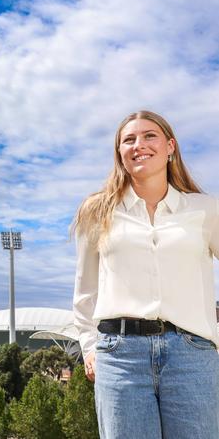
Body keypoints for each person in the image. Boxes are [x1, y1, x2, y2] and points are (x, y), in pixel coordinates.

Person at [73, 110, 219, 438]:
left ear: (170, 147)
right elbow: (85, 290)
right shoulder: (97, 211)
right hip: (120, 358)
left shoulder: (206, 209)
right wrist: (89, 346)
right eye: (129, 139)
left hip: (192, 357)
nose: (139, 144)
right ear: (120, 154)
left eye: (149, 136)